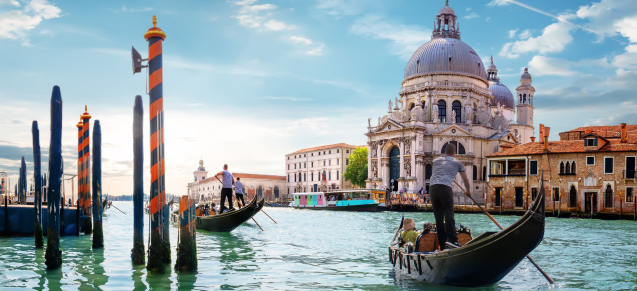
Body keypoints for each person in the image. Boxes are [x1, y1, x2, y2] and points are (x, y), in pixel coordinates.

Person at [429, 143, 471, 249]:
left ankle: (442, 243)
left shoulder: (435, 161)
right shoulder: (457, 163)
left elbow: (438, 173)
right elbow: (465, 179)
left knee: (438, 216)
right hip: (445, 188)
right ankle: (452, 240)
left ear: (444, 152)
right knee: (448, 213)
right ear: (455, 153)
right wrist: (468, 191)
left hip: (433, 188)